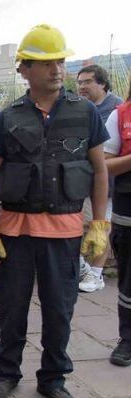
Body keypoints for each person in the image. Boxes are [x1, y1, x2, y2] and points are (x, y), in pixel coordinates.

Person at [0, 25, 109, 398]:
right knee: (12, 308)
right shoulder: (9, 117)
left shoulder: (84, 113)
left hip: (64, 232)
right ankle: (7, 372)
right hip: (15, 232)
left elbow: (99, 170)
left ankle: (53, 379)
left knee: (59, 310)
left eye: (60, 61)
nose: (56, 69)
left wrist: (99, 223)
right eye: (46, 62)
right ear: (24, 70)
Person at [76, 64, 124, 292]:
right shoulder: (79, 108)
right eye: (79, 82)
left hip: (109, 182)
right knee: (75, 226)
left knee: (101, 226)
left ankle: (95, 274)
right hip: (83, 180)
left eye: (87, 82)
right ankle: (85, 269)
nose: (82, 86)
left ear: (102, 83)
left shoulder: (116, 109)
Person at [104, 77, 131, 366]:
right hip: (127, 209)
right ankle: (128, 339)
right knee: (128, 277)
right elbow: (104, 162)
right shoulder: (120, 114)